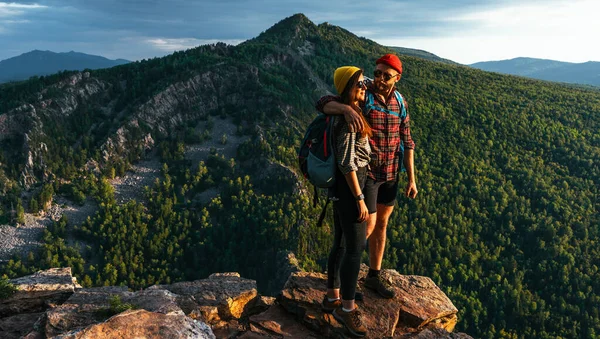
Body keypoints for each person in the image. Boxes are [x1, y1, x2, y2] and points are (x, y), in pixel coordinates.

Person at [316, 54, 418, 299]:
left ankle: (373, 275)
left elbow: (408, 140)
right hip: (368, 175)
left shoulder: (400, 102)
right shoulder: (365, 92)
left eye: (386, 75)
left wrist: (412, 178)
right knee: (365, 229)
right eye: (378, 72)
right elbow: (322, 102)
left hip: (392, 173)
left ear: (397, 78)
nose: (380, 79)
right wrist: (345, 109)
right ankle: (342, 283)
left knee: (381, 224)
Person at [320, 66, 371, 337]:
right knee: (354, 249)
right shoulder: (349, 120)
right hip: (352, 187)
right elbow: (346, 162)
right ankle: (347, 310)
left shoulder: (348, 109)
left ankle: (332, 297)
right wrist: (360, 197)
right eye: (360, 84)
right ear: (349, 87)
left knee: (339, 244)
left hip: (340, 190)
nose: (365, 87)